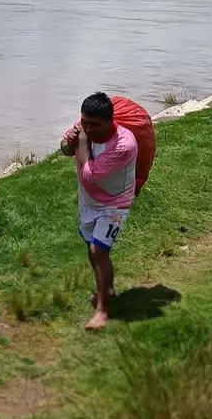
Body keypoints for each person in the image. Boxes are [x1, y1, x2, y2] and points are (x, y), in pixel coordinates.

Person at [60, 92, 139, 331]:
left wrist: (82, 141)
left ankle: (102, 311)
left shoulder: (124, 145)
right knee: (91, 248)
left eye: (95, 125)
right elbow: (64, 149)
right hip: (88, 201)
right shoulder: (83, 125)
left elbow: (89, 174)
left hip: (115, 203)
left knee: (98, 250)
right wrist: (70, 141)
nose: (89, 128)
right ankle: (108, 289)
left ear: (109, 121)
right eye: (85, 123)